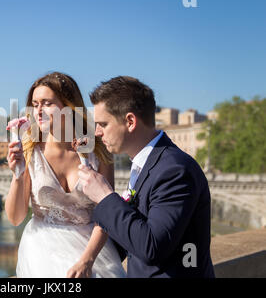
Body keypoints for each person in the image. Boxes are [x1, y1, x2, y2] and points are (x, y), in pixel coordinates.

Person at [78, 76, 215, 278]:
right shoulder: (147, 163)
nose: (97, 133)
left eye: (103, 124)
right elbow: (131, 235)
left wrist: (105, 196)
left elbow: (152, 247)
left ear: (130, 121)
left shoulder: (175, 170)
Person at [5, 72, 126, 278]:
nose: (39, 111)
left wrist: (86, 260)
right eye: (35, 105)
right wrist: (18, 175)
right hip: (42, 252)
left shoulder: (98, 151)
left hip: (92, 253)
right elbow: (16, 218)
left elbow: (106, 216)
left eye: (47, 103)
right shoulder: (29, 149)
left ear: (69, 107)